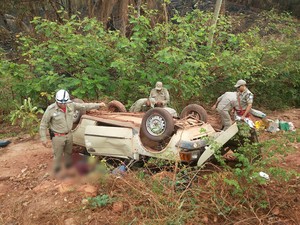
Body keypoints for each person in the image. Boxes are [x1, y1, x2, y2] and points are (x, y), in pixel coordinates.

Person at [39, 89, 106, 174]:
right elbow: (43, 124)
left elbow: (84, 106)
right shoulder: (50, 109)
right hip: (57, 136)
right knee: (58, 155)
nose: (63, 104)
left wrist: (98, 105)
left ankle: (68, 168)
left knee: (68, 153)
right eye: (60, 103)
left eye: (64, 103)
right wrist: (43, 138)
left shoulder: (71, 105)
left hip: (69, 135)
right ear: (56, 101)